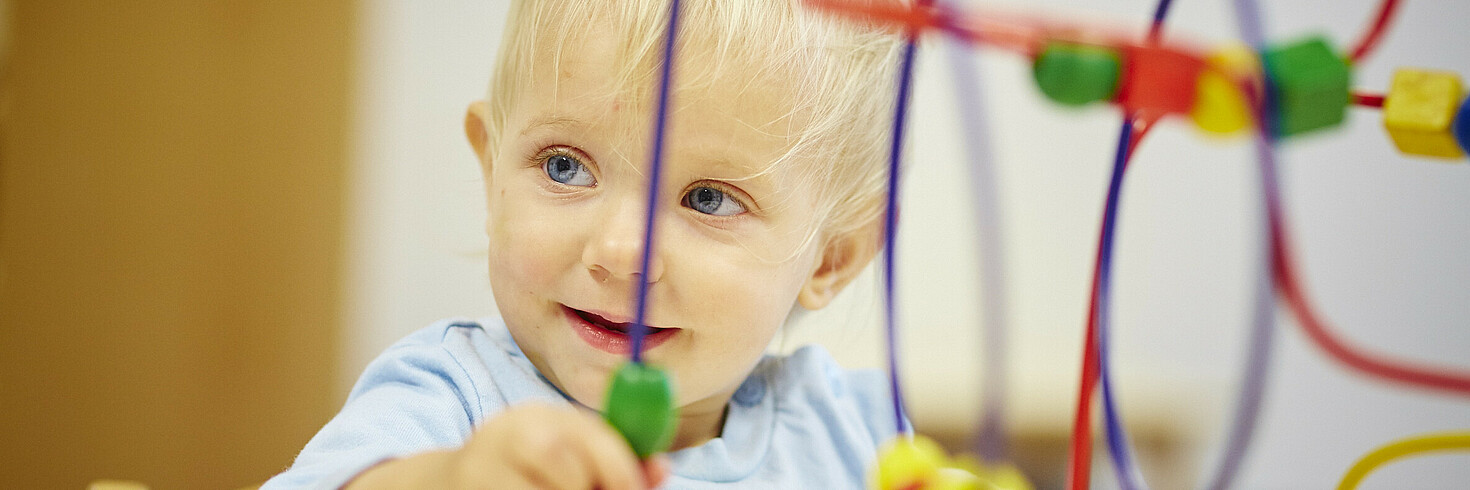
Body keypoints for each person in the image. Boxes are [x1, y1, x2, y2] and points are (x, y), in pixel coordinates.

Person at [264, 0, 905, 488]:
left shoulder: (859, 436)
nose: (621, 250)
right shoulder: (449, 398)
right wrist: (454, 477)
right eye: (565, 167)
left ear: (833, 258)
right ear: (491, 172)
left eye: (708, 199)